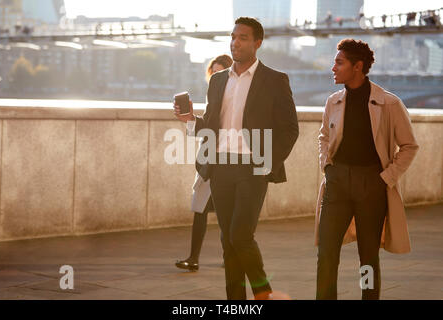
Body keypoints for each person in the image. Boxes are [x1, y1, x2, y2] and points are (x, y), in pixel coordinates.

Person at [173, 17, 299, 300]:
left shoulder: (275, 80)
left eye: (243, 37)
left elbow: (290, 129)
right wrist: (191, 120)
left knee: (240, 236)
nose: (235, 42)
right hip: (220, 168)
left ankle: (263, 293)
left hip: (252, 168)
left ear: (257, 43)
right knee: (227, 242)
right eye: (233, 36)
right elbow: (213, 126)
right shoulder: (218, 80)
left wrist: (267, 162)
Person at [315, 39, 419, 300]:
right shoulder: (333, 102)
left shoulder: (389, 103)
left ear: (357, 66)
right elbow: (323, 138)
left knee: (368, 257)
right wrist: (327, 165)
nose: (333, 67)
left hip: (372, 186)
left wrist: (386, 178)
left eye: (339, 62)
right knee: (326, 253)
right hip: (337, 182)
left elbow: (409, 146)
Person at [175, 54, 233, 272]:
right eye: (213, 73)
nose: (215, 77)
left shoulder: (233, 100)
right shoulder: (213, 97)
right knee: (199, 211)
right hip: (208, 162)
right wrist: (190, 119)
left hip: (227, 161)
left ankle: (230, 258)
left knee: (227, 215)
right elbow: (206, 129)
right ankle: (193, 258)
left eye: (220, 73)